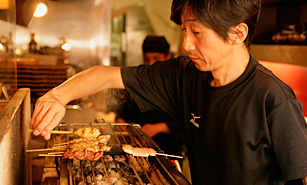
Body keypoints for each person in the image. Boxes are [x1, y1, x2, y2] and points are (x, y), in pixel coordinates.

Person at [30, 0, 307, 184]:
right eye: (185, 30)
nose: (186, 44)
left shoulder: (274, 99)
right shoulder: (186, 75)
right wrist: (58, 96)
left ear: (238, 33)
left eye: (196, 32)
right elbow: (106, 75)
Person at [116, 35, 184, 158]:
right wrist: (120, 120)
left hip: (168, 151)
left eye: (156, 58)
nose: (151, 63)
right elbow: (124, 109)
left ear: (167, 57)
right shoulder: (139, 79)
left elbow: (188, 122)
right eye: (147, 59)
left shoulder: (178, 83)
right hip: (137, 149)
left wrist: (160, 127)